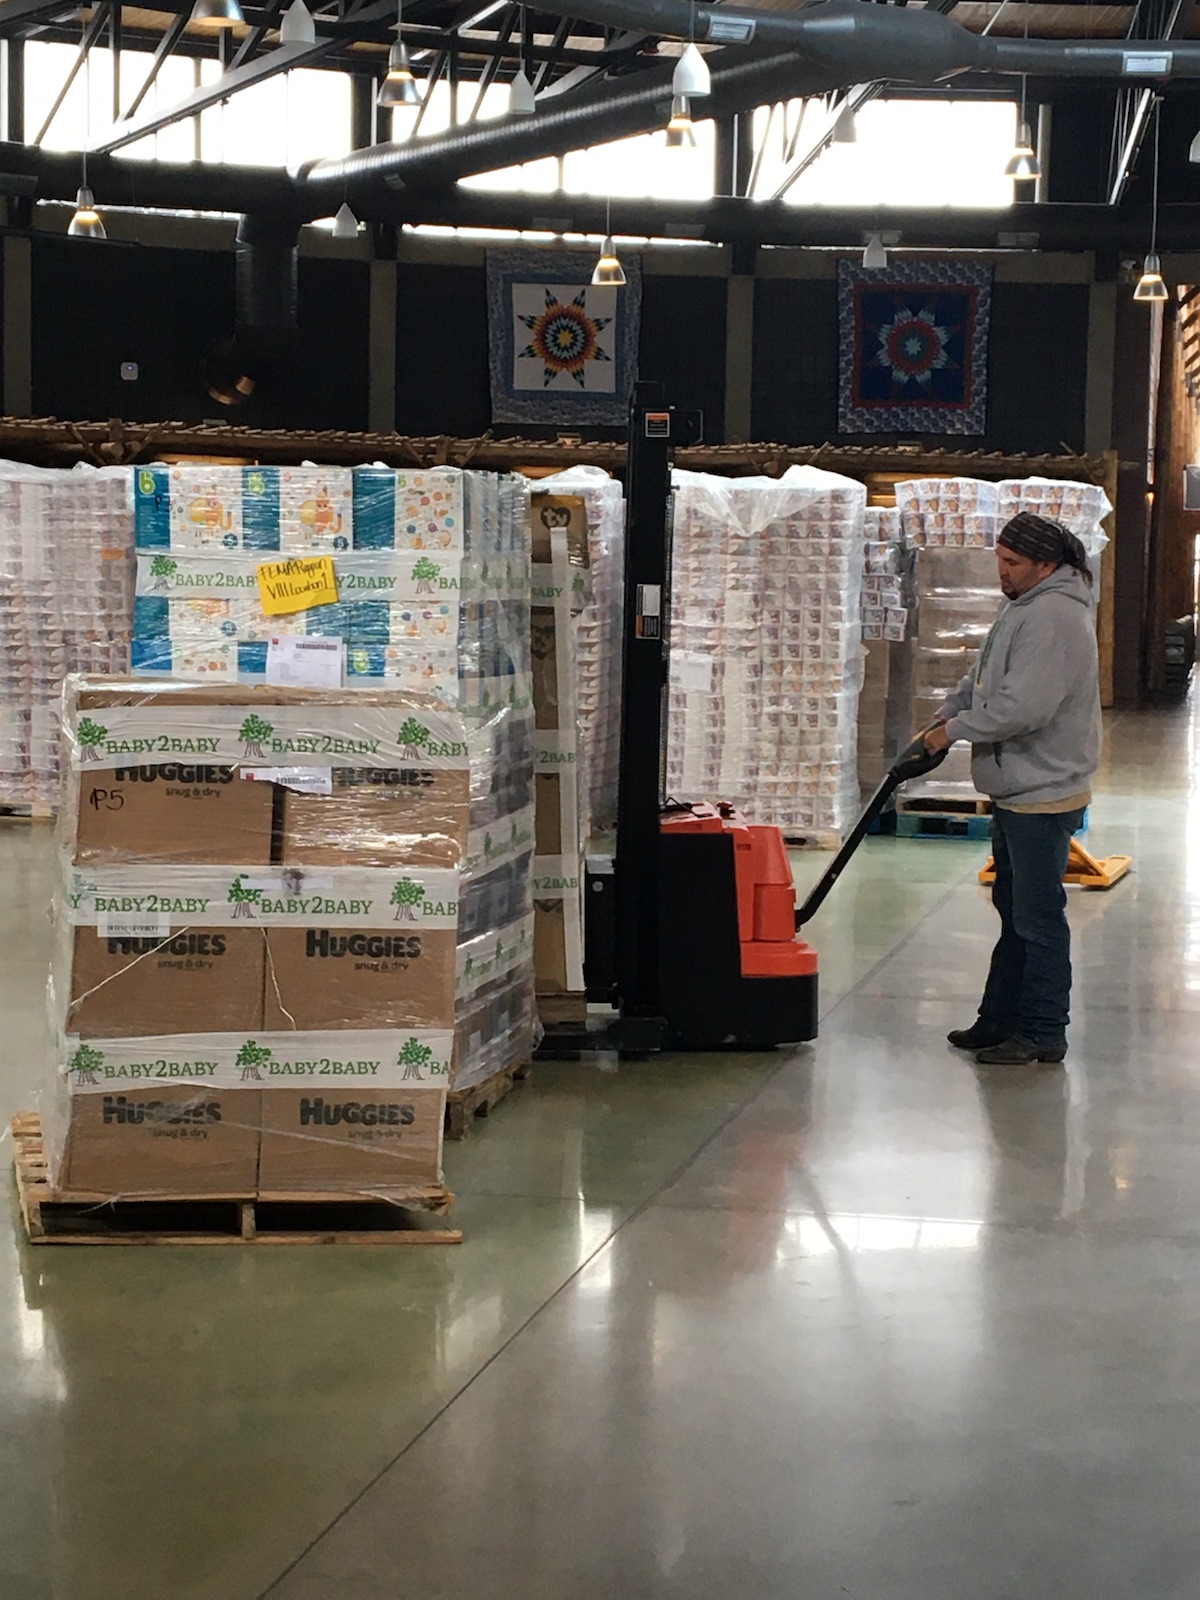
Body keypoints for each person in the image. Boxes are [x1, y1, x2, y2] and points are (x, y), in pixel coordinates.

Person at [921, 512, 1102, 1066]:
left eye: (1013, 563)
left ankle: (1044, 1031)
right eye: (999, 561)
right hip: (1017, 789)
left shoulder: (1053, 618)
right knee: (1013, 910)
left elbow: (1024, 707)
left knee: (1038, 917)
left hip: (1042, 792)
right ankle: (998, 1020)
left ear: (1046, 565)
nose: (1002, 572)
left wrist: (952, 731)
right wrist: (947, 711)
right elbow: (984, 682)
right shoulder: (1022, 606)